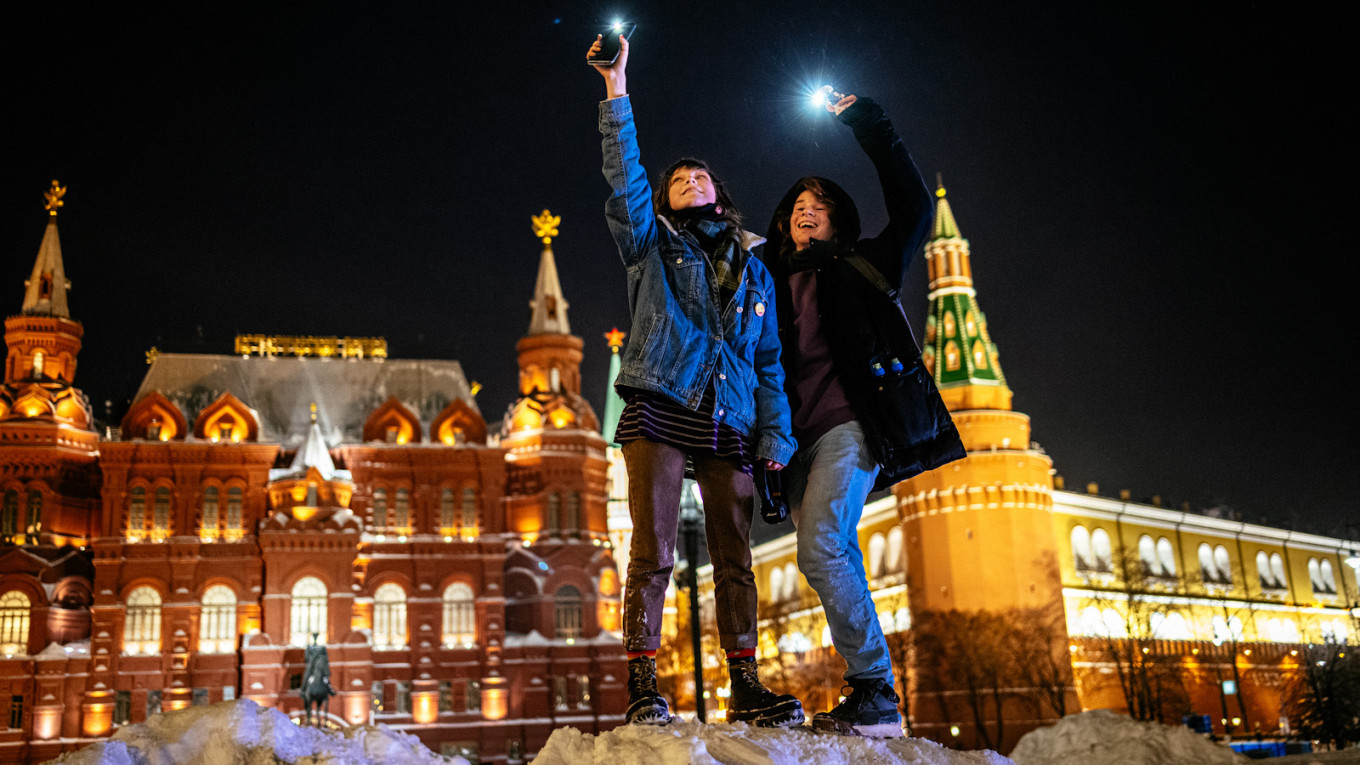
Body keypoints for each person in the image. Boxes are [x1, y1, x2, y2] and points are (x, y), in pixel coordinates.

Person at [588, 34, 804, 728]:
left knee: (735, 555)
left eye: (698, 177)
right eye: (676, 181)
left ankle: (746, 684)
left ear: (719, 192)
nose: (688, 182)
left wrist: (775, 435)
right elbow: (625, 181)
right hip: (660, 403)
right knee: (652, 545)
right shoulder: (652, 245)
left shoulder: (755, 269)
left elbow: (769, 362)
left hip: (730, 417)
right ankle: (644, 681)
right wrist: (617, 93)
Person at [762, 92, 965, 736]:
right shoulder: (764, 276)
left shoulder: (863, 265)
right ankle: (875, 699)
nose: (806, 211)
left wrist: (869, 122)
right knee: (831, 551)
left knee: (818, 547)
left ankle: (875, 687)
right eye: (798, 205)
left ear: (838, 222)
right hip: (793, 445)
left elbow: (912, 207)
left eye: (819, 206)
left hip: (852, 427)